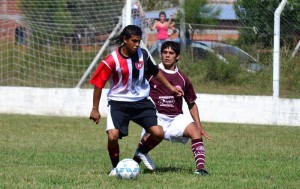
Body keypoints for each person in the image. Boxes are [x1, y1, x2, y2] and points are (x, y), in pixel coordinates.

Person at [89, 25, 183, 176]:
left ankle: (141, 153)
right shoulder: (111, 60)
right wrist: (95, 108)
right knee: (112, 136)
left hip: (141, 102)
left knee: (158, 133)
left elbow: (155, 72)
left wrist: (171, 88)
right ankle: (115, 168)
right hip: (118, 103)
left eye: (139, 41)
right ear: (125, 40)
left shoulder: (143, 55)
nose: (137, 44)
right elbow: (99, 84)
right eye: (134, 41)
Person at [133, 41, 211, 175]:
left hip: (175, 118)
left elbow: (191, 103)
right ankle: (132, 166)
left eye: (171, 53)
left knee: (195, 132)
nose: (167, 56)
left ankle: (200, 169)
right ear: (161, 54)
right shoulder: (152, 72)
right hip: (155, 116)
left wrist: (199, 126)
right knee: (144, 145)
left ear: (177, 57)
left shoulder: (183, 78)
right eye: (164, 52)